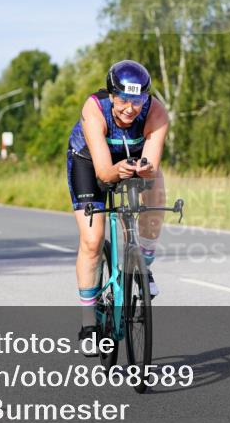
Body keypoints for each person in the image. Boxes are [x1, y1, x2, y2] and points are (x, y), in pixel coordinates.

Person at [66, 60, 169, 350]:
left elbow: (152, 164)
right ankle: (89, 324)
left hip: (131, 160)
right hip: (90, 162)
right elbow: (103, 172)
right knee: (93, 239)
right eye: (123, 99)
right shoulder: (94, 109)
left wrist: (144, 170)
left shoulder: (157, 112)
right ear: (111, 95)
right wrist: (118, 170)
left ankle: (143, 265)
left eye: (137, 101)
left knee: (156, 196)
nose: (129, 108)